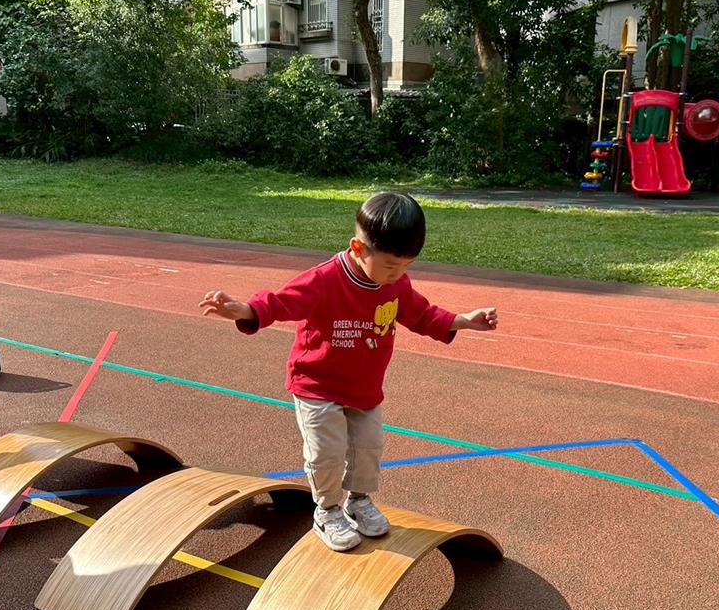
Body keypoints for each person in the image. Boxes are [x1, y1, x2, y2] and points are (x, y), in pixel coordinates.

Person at [200, 192, 498, 551]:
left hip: (364, 388)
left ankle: (358, 502)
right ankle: (326, 511)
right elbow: (282, 302)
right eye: (390, 266)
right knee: (327, 452)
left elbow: (421, 313)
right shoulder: (325, 279)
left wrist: (463, 320)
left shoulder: (395, 283)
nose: (397, 275)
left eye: (406, 266)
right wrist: (245, 310)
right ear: (358, 248)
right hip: (317, 385)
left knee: (368, 448)